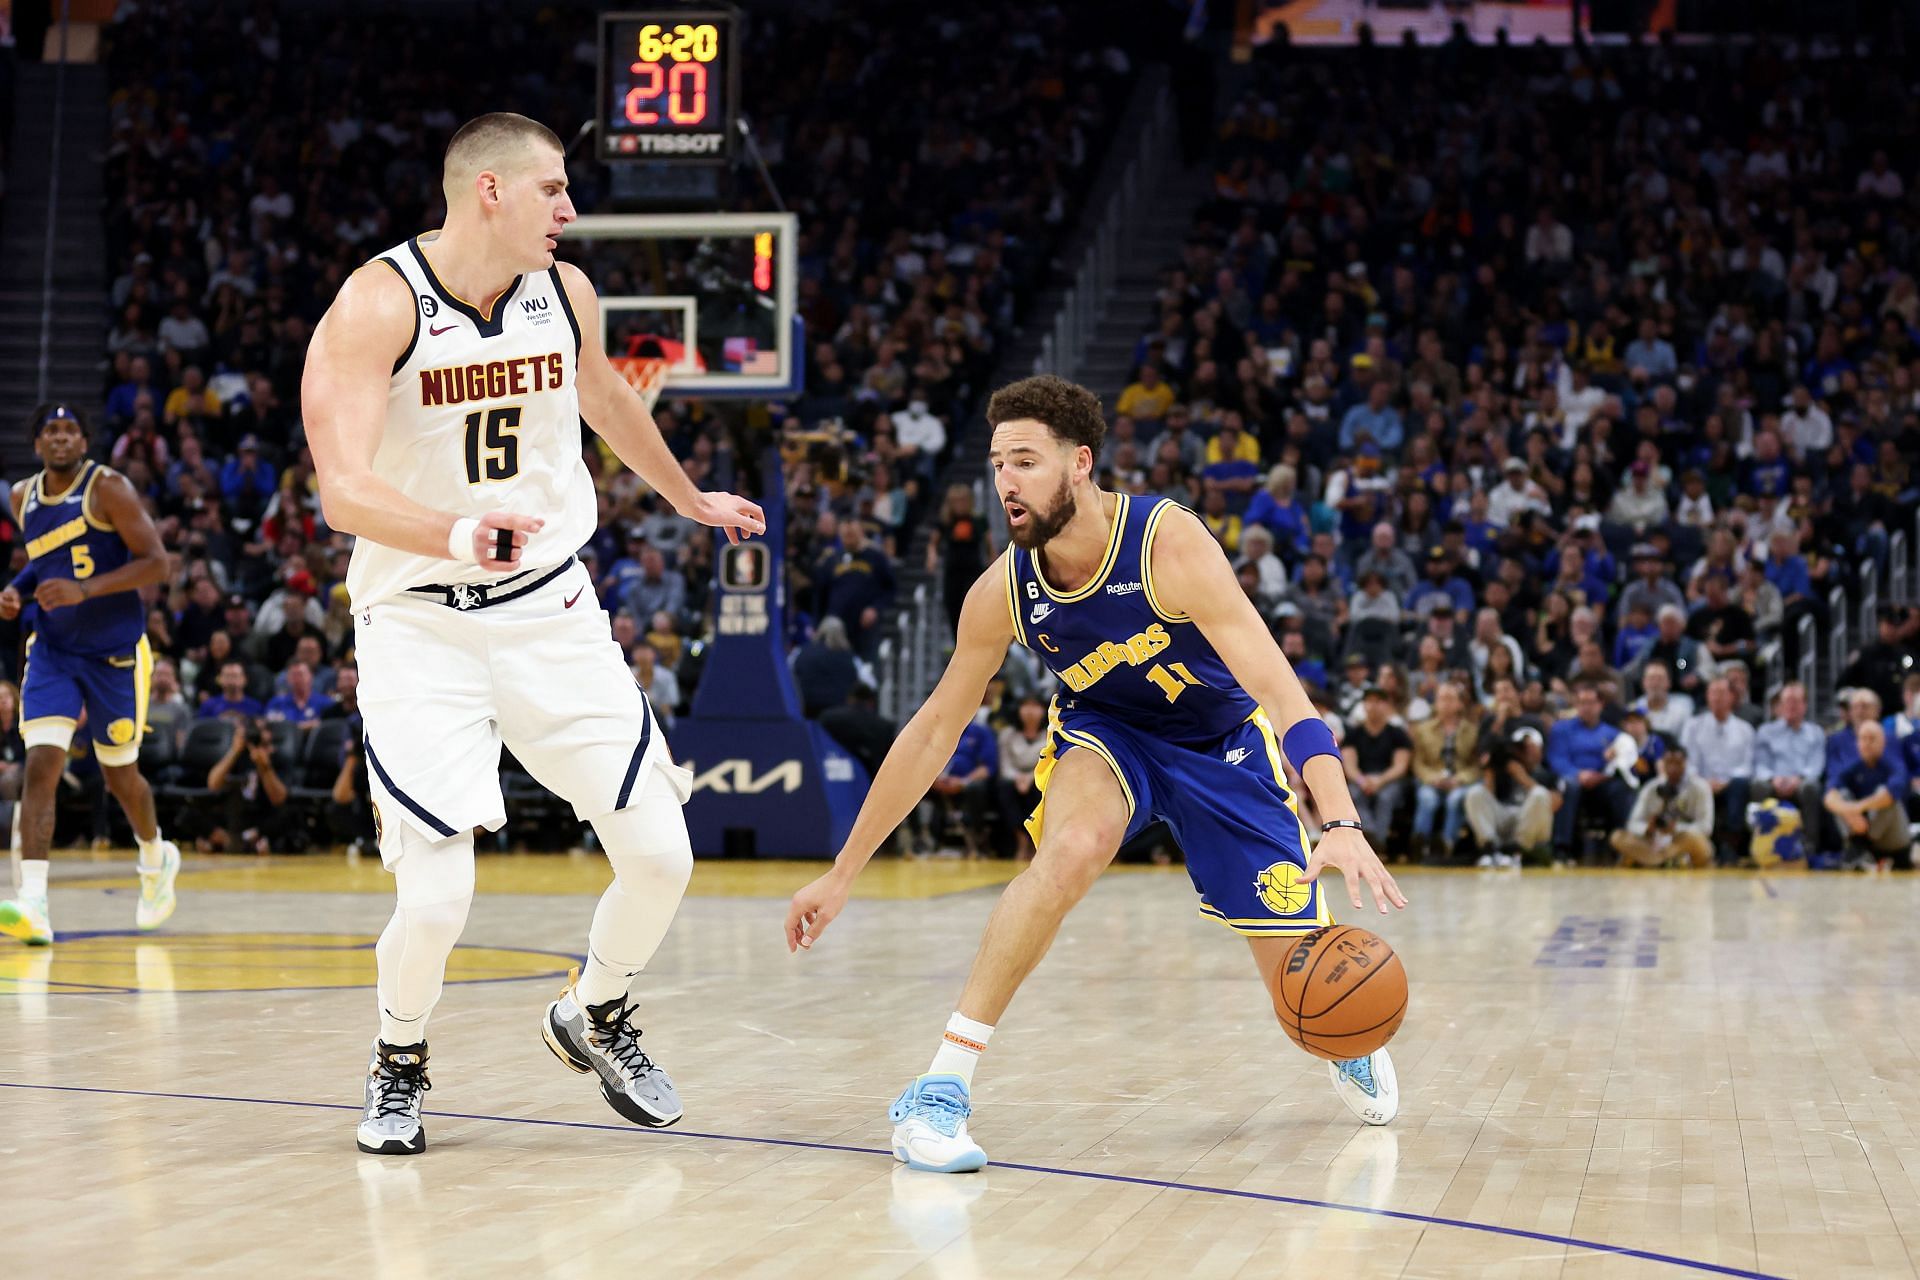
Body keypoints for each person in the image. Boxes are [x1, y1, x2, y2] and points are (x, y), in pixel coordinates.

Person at [783, 375, 1407, 1174]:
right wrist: (843, 872)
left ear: (1079, 464)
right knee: (1071, 849)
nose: (1006, 481)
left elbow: (1281, 690)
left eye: (1026, 461)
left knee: (1303, 999)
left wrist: (1343, 819)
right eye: (997, 463)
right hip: (1109, 737)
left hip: (1223, 746)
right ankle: (940, 1088)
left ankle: (1336, 1034)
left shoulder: (1168, 546)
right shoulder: (1004, 590)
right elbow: (934, 730)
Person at [301, 113, 764, 1156]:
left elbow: (603, 396)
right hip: (419, 623)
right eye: (551, 190)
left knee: (662, 853)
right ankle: (400, 1060)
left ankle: (593, 1013)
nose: (570, 210)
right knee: (438, 895)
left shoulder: (567, 294)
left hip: (552, 609)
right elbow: (342, 490)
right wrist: (456, 530)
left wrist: (688, 496)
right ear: (490, 192)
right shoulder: (379, 303)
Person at [0, 405, 181, 946]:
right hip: (54, 651)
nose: (60, 438)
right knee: (41, 765)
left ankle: (155, 857)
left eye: (70, 430)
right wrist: (18, 587)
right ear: (37, 445)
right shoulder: (22, 497)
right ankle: (33, 900)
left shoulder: (109, 488)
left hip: (115, 656)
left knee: (119, 776)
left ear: (84, 440)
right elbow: (47, 557)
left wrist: (85, 590)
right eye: (50, 431)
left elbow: (157, 563)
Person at [1547, 682, 1633, 862]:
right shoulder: (1561, 729)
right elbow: (1557, 758)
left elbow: (1621, 762)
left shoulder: (1612, 734)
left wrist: (1604, 773)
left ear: (1600, 705)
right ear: (1576, 705)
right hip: (1572, 778)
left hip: (1600, 781)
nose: (1586, 707)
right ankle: (1562, 847)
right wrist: (1578, 774)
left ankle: (1621, 845)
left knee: (1621, 788)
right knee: (1570, 786)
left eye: (1591, 702)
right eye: (1582, 703)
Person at [1680, 678, 1755, 863]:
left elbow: (1747, 765)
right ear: (1707, 696)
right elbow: (1687, 762)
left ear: (1731, 697)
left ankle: (1730, 846)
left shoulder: (1745, 729)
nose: (1716, 698)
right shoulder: (1693, 726)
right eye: (1713, 692)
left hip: (1731, 783)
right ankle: (1696, 845)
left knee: (1740, 785)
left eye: (1721, 693)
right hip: (1700, 781)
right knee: (1690, 783)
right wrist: (1704, 781)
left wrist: (1726, 782)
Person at [1824, 721, 1913, 870]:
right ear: (1857, 743)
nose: (1867, 743)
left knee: (1883, 794)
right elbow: (1829, 796)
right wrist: (1848, 810)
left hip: (1893, 839)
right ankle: (1859, 850)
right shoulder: (1852, 767)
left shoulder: (1895, 766)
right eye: (1863, 738)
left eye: (1872, 738)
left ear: (1883, 742)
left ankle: (1862, 847)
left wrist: (1857, 807)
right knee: (1841, 795)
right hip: (1862, 832)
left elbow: (1889, 796)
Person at [1610, 743, 1714, 868]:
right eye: (1669, 763)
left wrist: (1675, 828)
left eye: (1677, 763)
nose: (1673, 768)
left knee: (1695, 840)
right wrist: (1648, 828)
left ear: (1686, 763)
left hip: (1682, 842)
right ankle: (1664, 859)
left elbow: (1706, 827)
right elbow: (1633, 823)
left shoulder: (1700, 787)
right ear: (1663, 764)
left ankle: (1653, 860)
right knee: (1617, 837)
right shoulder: (1651, 787)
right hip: (1654, 842)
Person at [1463, 727, 1557, 867]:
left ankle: (1517, 851)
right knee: (1475, 792)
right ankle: (1490, 848)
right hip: (1504, 818)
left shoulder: (1548, 774)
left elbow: (1553, 805)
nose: (1527, 751)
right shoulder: (1502, 770)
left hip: (1528, 825)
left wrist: (1524, 779)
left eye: (1531, 746)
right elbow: (1486, 802)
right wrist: (1490, 770)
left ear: (1541, 750)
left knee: (1540, 793)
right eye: (1521, 748)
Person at [1409, 681, 1477, 861]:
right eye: (1442, 698)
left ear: (1459, 704)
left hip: (1460, 779)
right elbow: (1418, 763)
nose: (1445, 703)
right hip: (1433, 778)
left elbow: (1476, 765)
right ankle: (1419, 842)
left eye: (1450, 698)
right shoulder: (1423, 730)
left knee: (1455, 800)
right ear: (1435, 703)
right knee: (1427, 798)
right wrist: (1433, 778)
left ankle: (1446, 844)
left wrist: (1459, 779)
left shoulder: (1471, 731)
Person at [1343, 686, 1414, 841]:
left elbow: (1400, 766)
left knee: (1385, 797)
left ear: (1386, 706)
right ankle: (1370, 835)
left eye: (1378, 701)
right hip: (1361, 779)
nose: (1373, 706)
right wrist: (1362, 781)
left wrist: (1379, 781)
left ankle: (1378, 841)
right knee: (1353, 794)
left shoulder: (1397, 734)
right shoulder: (1353, 734)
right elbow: (1349, 766)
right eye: (1369, 702)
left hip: (1389, 780)